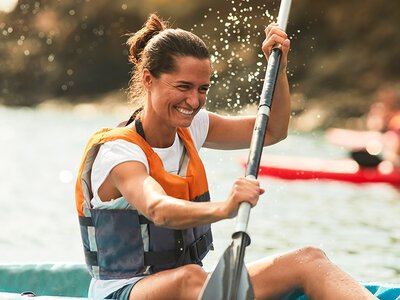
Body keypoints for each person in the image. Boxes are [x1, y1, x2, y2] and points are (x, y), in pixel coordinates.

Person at [75, 14, 377, 300]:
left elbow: (271, 130)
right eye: (183, 87)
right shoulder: (119, 151)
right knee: (189, 277)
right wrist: (226, 208)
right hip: (124, 291)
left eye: (202, 88)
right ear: (148, 79)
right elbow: (157, 208)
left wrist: (280, 67)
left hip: (189, 286)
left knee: (309, 259)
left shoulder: (194, 126)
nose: (193, 101)